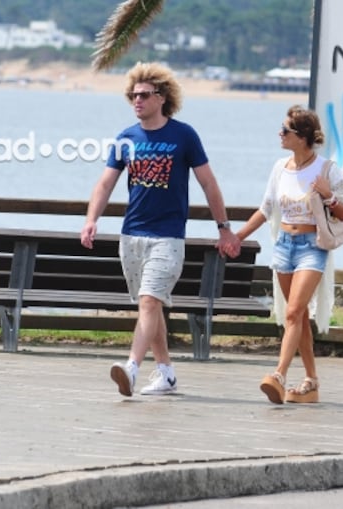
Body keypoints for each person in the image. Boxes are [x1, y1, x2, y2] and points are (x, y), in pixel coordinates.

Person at [80, 62, 241, 397]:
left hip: (167, 237)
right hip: (131, 235)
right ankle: (166, 373)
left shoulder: (183, 135)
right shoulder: (126, 138)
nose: (137, 101)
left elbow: (209, 183)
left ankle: (131, 368)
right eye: (132, 96)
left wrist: (224, 228)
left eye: (144, 95)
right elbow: (105, 183)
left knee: (150, 303)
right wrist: (92, 218)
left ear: (162, 97)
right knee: (147, 306)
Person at [233, 105, 343, 404]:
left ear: (303, 137)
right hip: (284, 245)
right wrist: (237, 236)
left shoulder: (327, 169)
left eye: (286, 130)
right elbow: (265, 209)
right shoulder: (280, 168)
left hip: (312, 247)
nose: (280, 134)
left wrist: (328, 193)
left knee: (294, 312)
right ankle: (311, 382)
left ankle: (279, 376)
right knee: (296, 317)